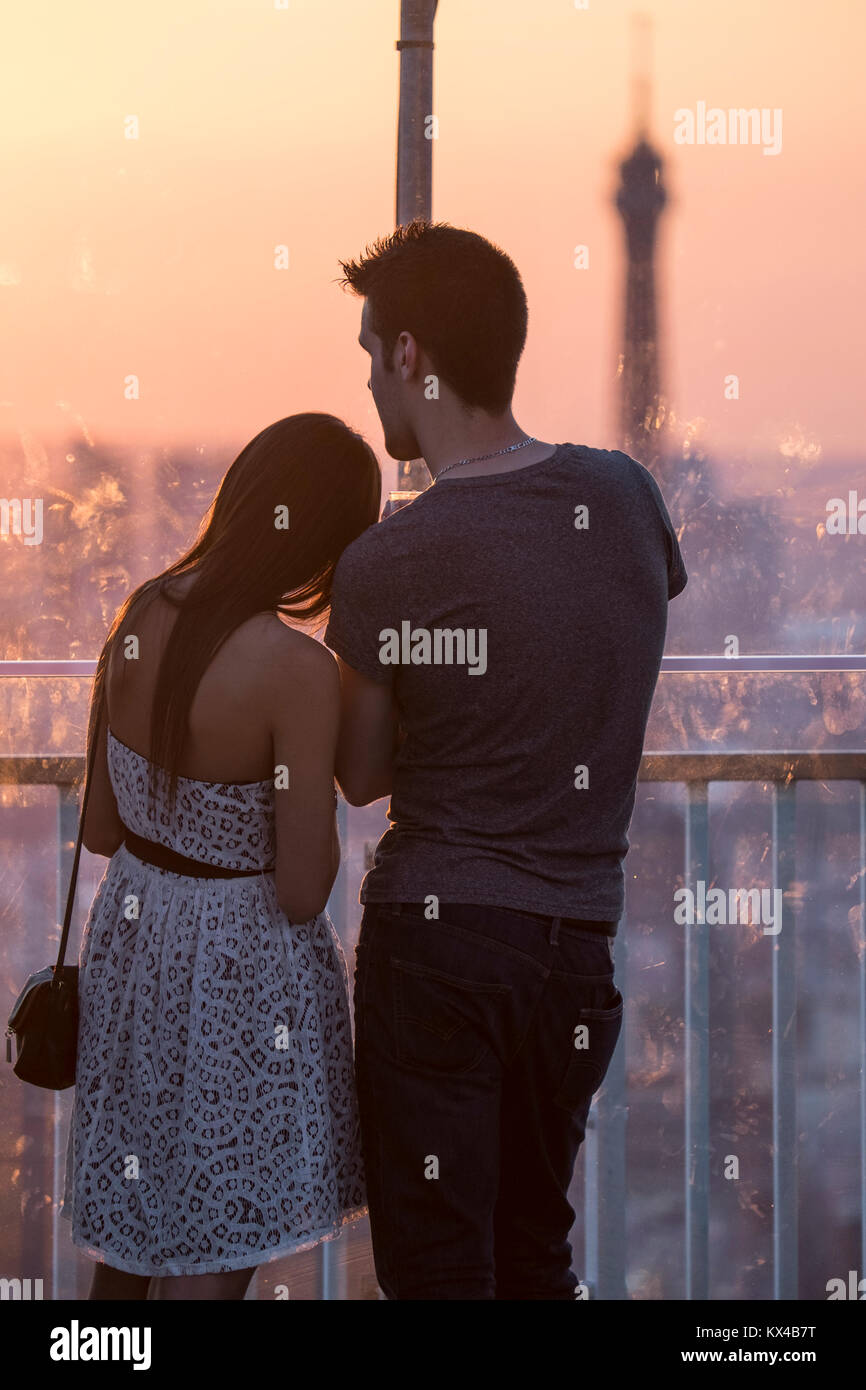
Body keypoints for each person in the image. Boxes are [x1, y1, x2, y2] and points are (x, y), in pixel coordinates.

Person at [325, 219, 688, 1300]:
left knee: (440, 1269)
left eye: (367, 352)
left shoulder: (387, 560)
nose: (371, 386)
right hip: (576, 947)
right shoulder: (625, 500)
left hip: (440, 946)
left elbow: (358, 772)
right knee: (535, 1255)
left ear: (407, 356)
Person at [64, 413, 380, 1299]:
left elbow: (98, 828)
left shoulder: (139, 612)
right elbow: (301, 890)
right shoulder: (298, 670)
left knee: (125, 1244)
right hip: (242, 981)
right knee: (215, 1226)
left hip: (136, 949)